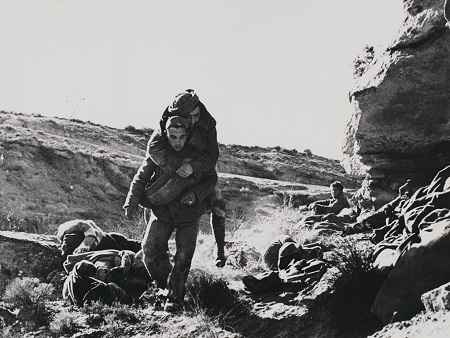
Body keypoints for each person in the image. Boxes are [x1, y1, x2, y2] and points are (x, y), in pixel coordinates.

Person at [124, 116, 218, 312]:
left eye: (182, 137)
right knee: (149, 251)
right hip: (163, 211)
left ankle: (175, 298)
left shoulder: (198, 155)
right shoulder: (159, 154)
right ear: (166, 135)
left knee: (184, 256)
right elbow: (140, 178)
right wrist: (131, 202)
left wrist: (195, 194)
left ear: (187, 136)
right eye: (173, 137)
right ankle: (163, 287)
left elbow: (211, 180)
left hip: (189, 214)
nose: (177, 142)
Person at [125, 89, 227, 267]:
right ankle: (154, 249)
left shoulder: (208, 122)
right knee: (159, 194)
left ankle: (219, 250)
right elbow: (154, 148)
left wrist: (194, 167)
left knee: (217, 202)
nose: (194, 119)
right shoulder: (167, 119)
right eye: (190, 117)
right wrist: (178, 167)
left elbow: (212, 154)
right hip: (173, 161)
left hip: (201, 163)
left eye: (196, 114)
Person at [57, 219, 141, 259]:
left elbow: (90, 231)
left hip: (106, 240)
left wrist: (85, 245)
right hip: (100, 245)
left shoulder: (76, 226)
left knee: (123, 245)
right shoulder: (66, 238)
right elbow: (66, 253)